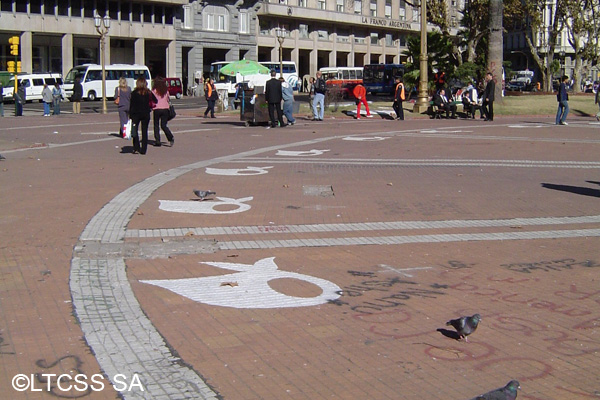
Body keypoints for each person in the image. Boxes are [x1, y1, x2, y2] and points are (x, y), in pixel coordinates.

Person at [128, 78, 157, 155]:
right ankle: (144, 149)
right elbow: (156, 100)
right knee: (144, 132)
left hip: (136, 114)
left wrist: (130, 115)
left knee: (135, 131)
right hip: (145, 113)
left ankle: (136, 146)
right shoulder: (148, 93)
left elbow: (131, 105)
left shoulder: (134, 93)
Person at [151, 77, 175, 147]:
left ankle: (157, 141)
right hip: (165, 109)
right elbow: (168, 99)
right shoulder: (166, 91)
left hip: (157, 109)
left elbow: (152, 99)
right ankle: (170, 137)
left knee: (156, 125)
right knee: (163, 125)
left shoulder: (154, 91)